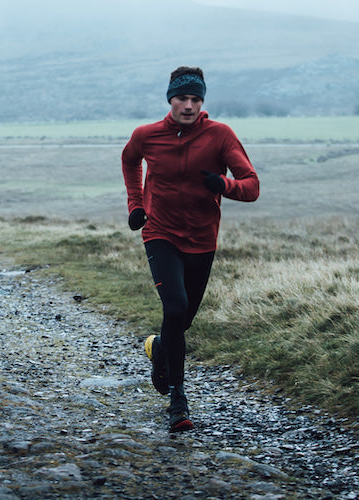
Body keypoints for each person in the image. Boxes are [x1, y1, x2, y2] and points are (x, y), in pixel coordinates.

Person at [121, 66, 260, 432]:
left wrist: (223, 184)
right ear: (171, 99)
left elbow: (252, 186)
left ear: (203, 102)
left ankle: (159, 350)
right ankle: (178, 402)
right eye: (182, 98)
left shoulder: (220, 136)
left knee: (182, 321)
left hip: (201, 239)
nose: (189, 105)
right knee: (176, 307)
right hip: (160, 233)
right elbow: (129, 159)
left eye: (196, 99)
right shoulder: (147, 136)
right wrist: (137, 204)